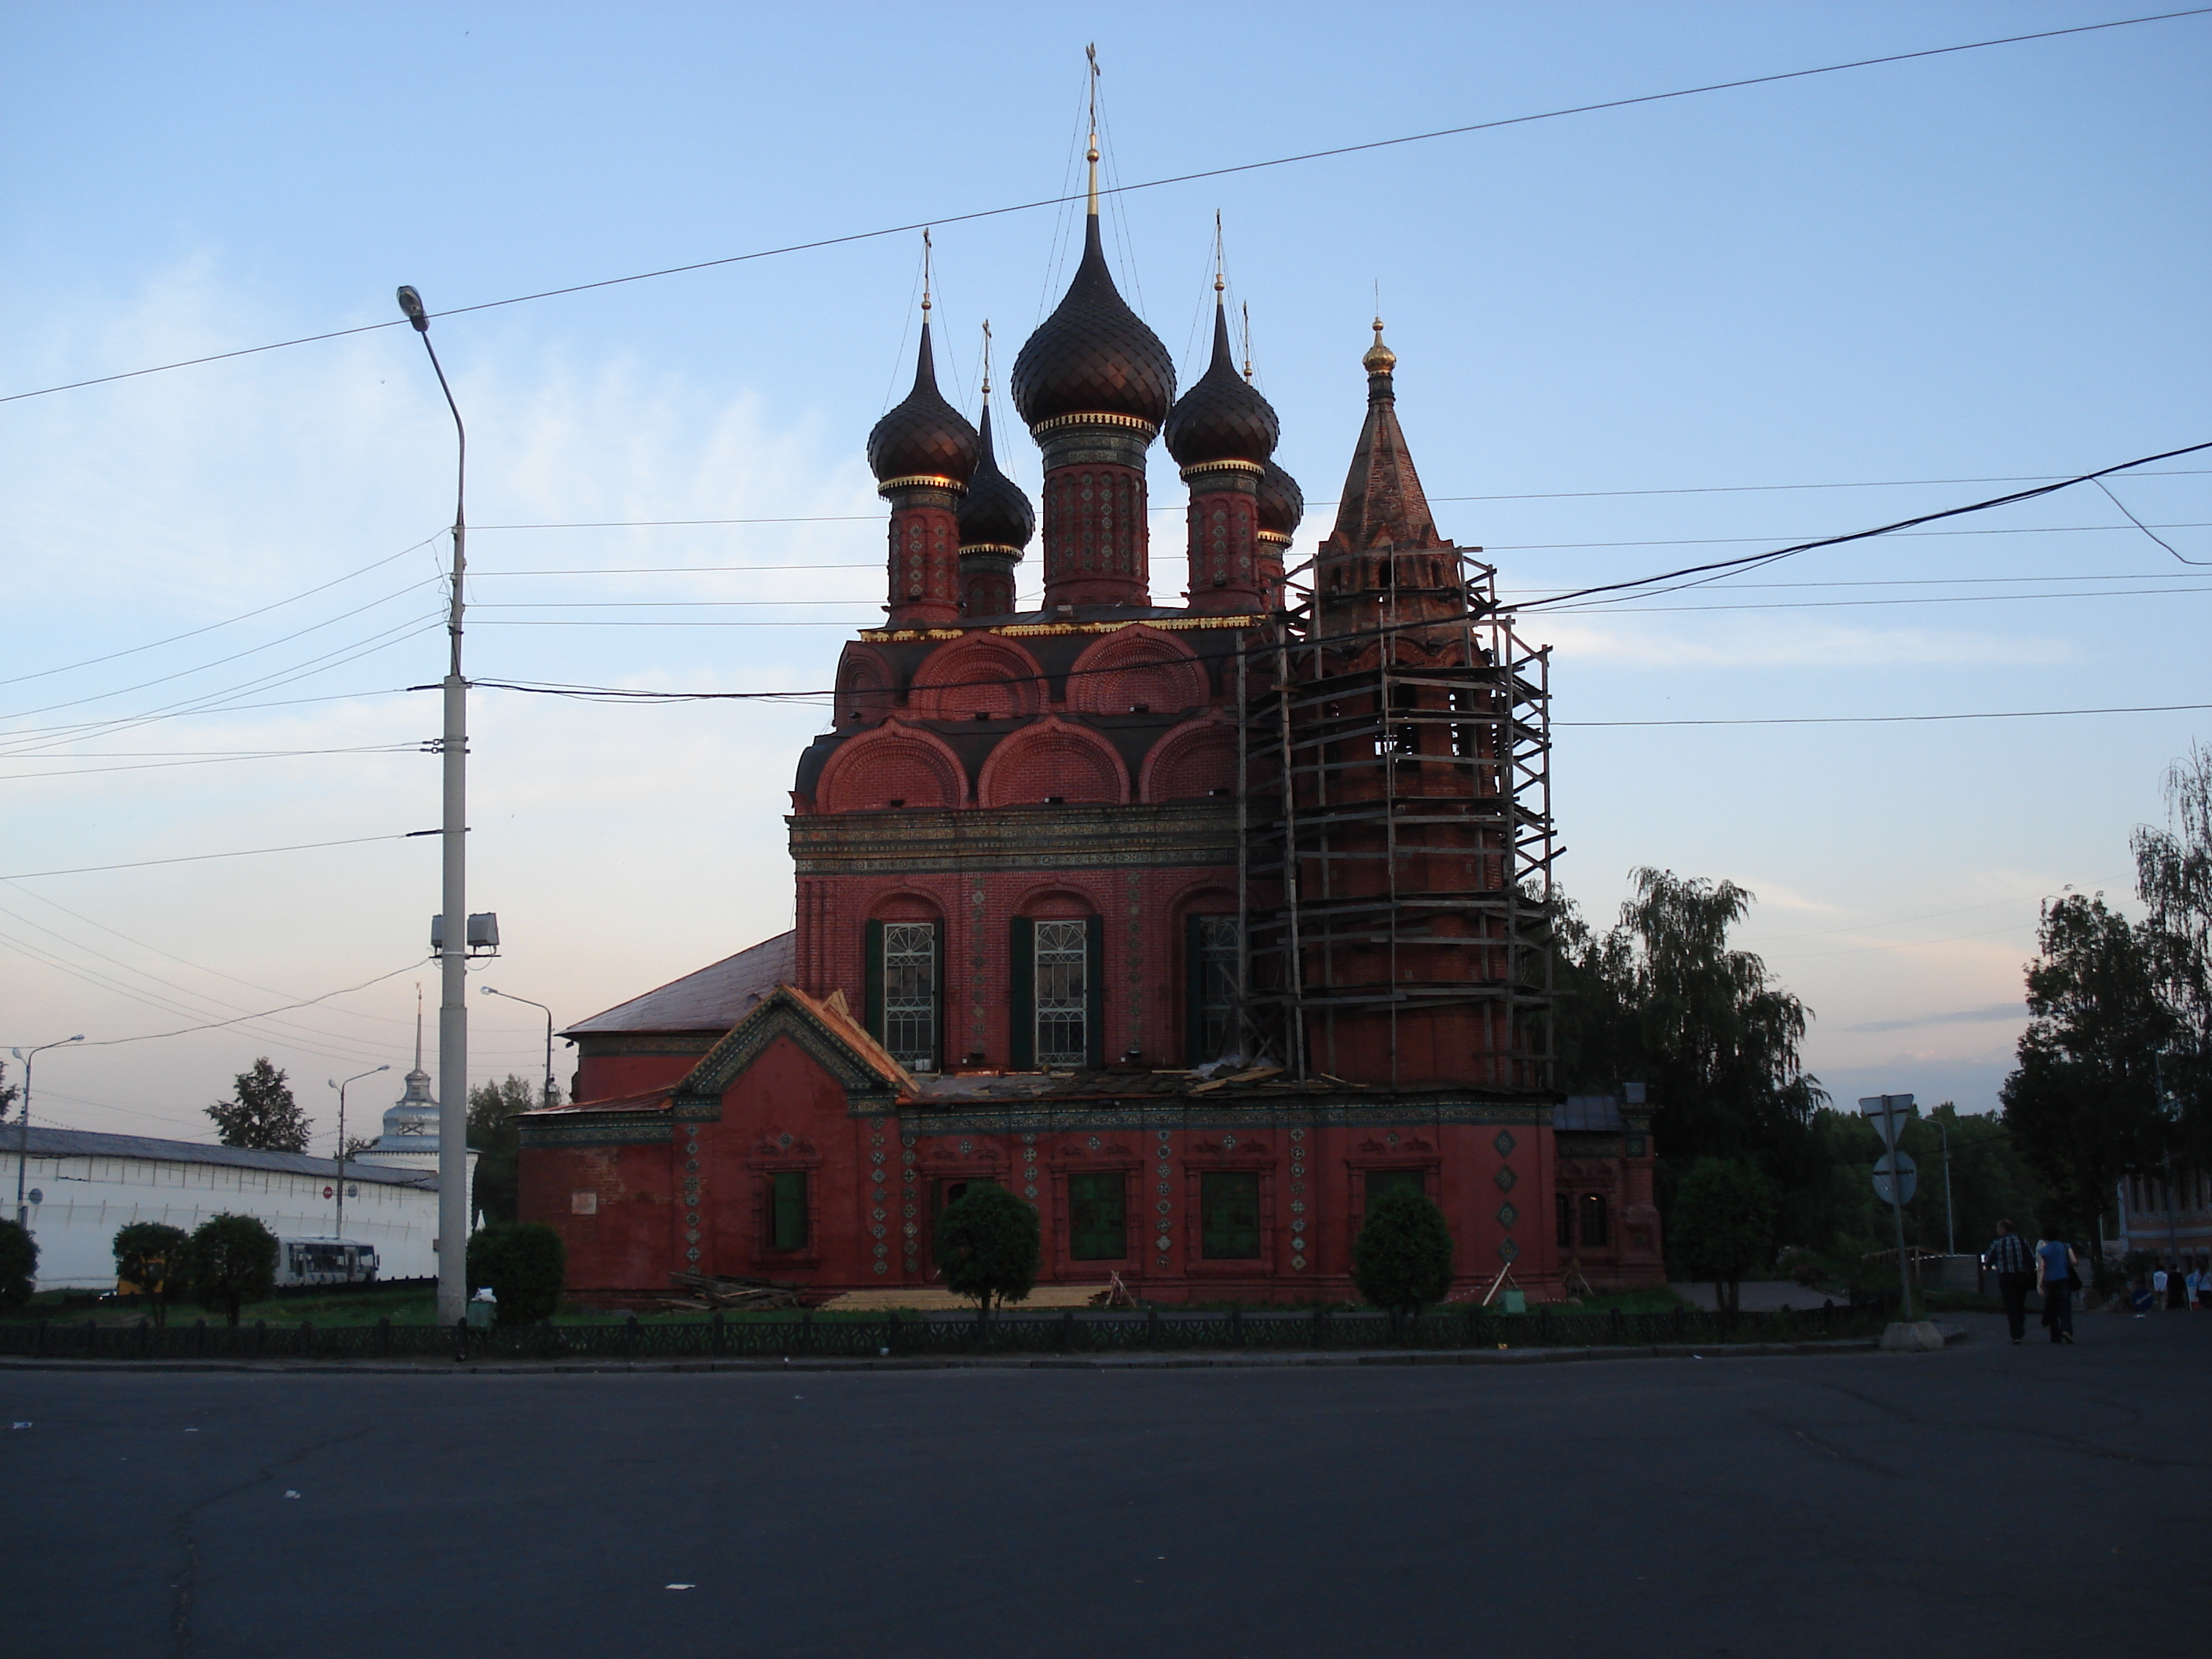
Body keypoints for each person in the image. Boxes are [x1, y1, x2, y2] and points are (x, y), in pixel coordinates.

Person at [1986, 1219, 2035, 1344]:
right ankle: (2020, 1327)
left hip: (2006, 1277)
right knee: (2020, 1303)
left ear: (2003, 1229)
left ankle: (2015, 1333)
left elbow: (1988, 1260)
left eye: (1998, 1228)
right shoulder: (2021, 1240)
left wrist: (1990, 1266)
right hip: (2021, 1275)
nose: (1997, 1231)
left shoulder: (1997, 1243)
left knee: (2010, 1305)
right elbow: (2030, 1258)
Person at [2036, 1227, 2077, 1345]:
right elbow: (2074, 1261)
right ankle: (2066, 1330)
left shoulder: (2042, 1251)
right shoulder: (2065, 1246)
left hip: (2049, 1282)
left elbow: (2041, 1268)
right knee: (2065, 1307)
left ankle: (2054, 1336)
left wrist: (2039, 1285)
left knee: (2052, 1308)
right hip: (2063, 1280)